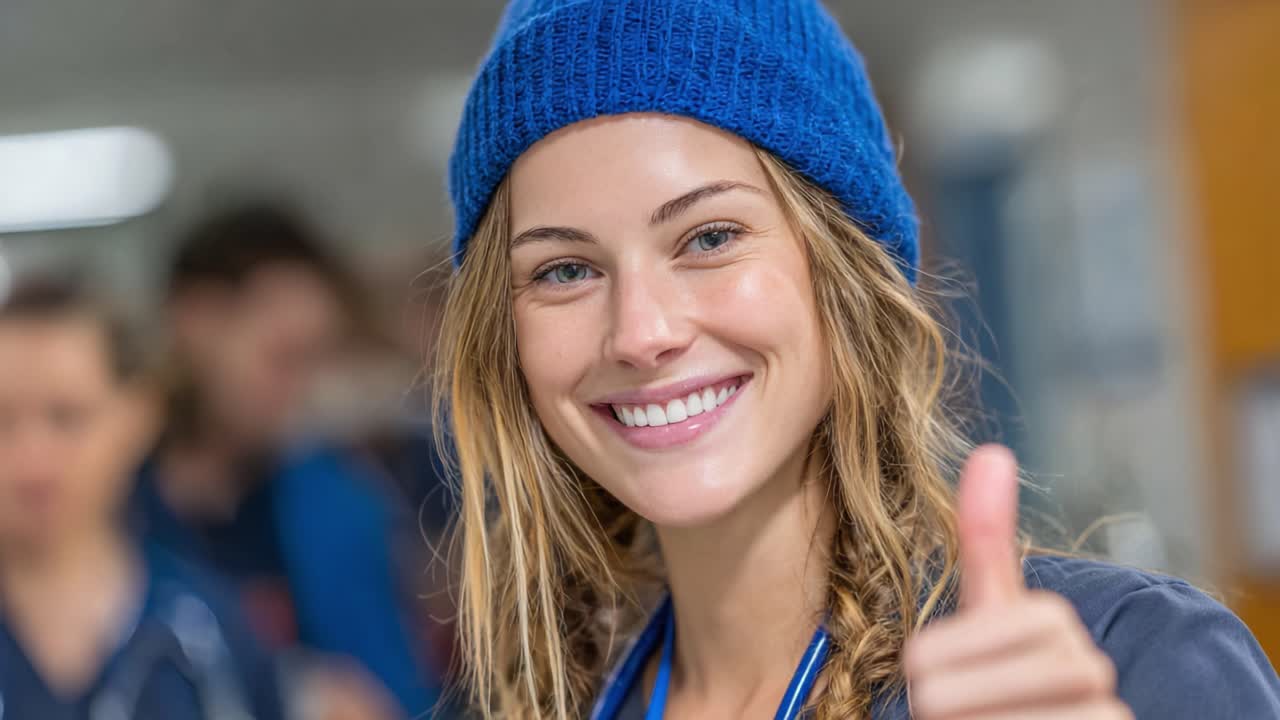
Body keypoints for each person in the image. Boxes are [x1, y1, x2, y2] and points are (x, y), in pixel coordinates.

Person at [432, 1, 1280, 718]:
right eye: (565, 270)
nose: (639, 331)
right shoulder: (537, 700)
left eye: (710, 236)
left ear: (842, 272)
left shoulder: (1128, 665)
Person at [130, 203, 439, 718]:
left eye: (314, 361)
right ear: (196, 322)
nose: (300, 389)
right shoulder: (100, 510)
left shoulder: (342, 509)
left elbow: (395, 695)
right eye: (281, 357)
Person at [0, 278, 283, 719]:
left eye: (67, 417)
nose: (31, 461)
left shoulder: (206, 632)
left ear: (139, 417)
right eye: (2, 421)